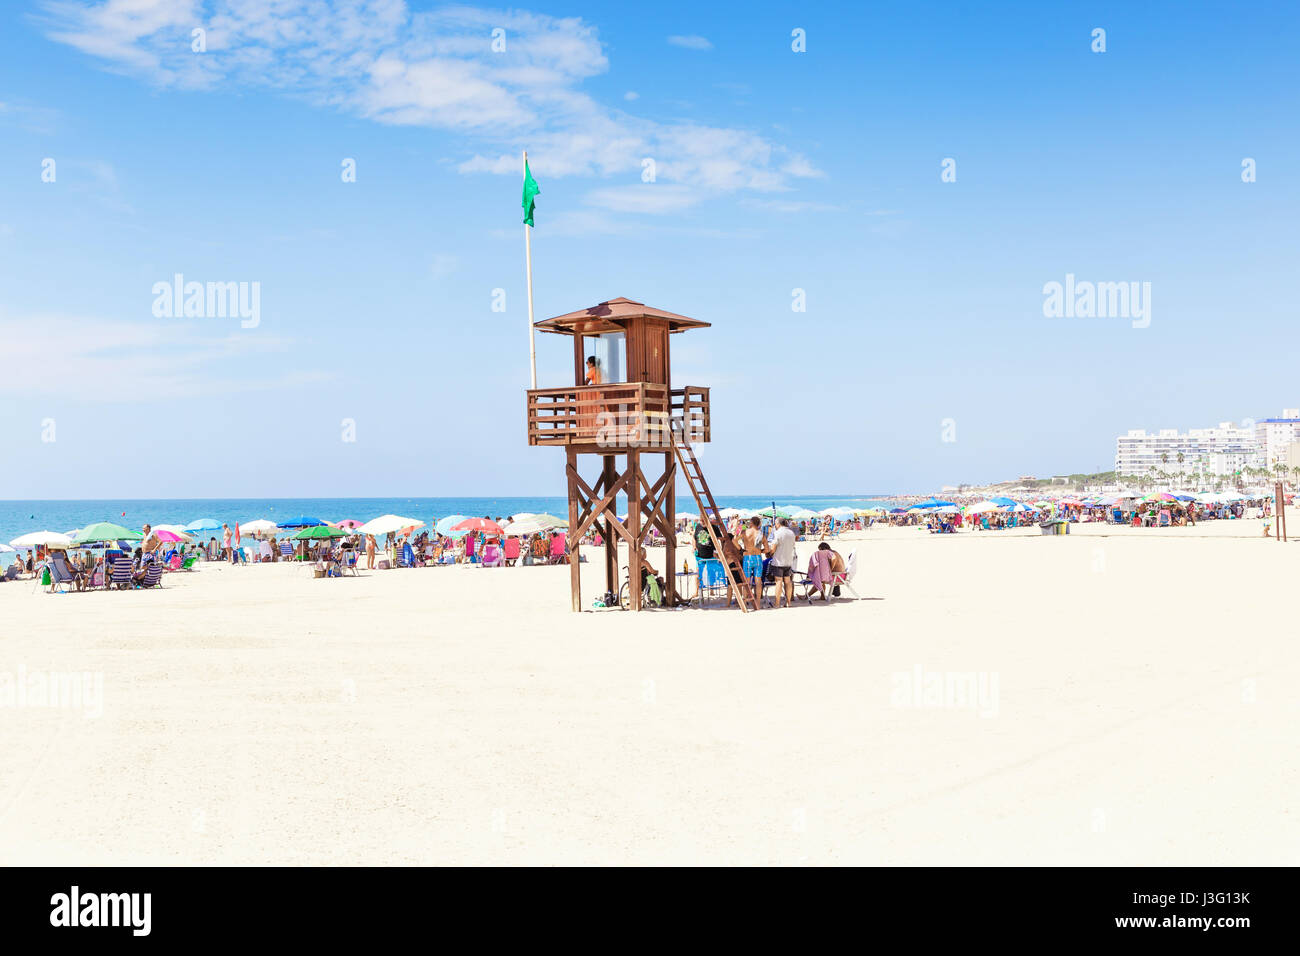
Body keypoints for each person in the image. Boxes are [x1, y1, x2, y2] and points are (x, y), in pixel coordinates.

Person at [766, 518, 797, 608]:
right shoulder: (791, 533)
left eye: (775, 524)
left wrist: (769, 554)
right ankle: (788, 602)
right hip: (788, 560)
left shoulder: (778, 533)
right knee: (788, 582)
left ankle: (777, 603)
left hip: (779, 560)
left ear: (778, 524)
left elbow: (773, 547)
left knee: (778, 581)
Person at [741, 516, 765, 608]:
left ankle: (744, 602)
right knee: (758, 580)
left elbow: (734, 540)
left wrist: (741, 550)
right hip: (758, 558)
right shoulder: (761, 534)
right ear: (758, 524)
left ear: (751, 523)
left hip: (747, 557)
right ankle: (758, 603)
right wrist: (760, 551)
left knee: (747, 581)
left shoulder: (745, 532)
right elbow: (767, 549)